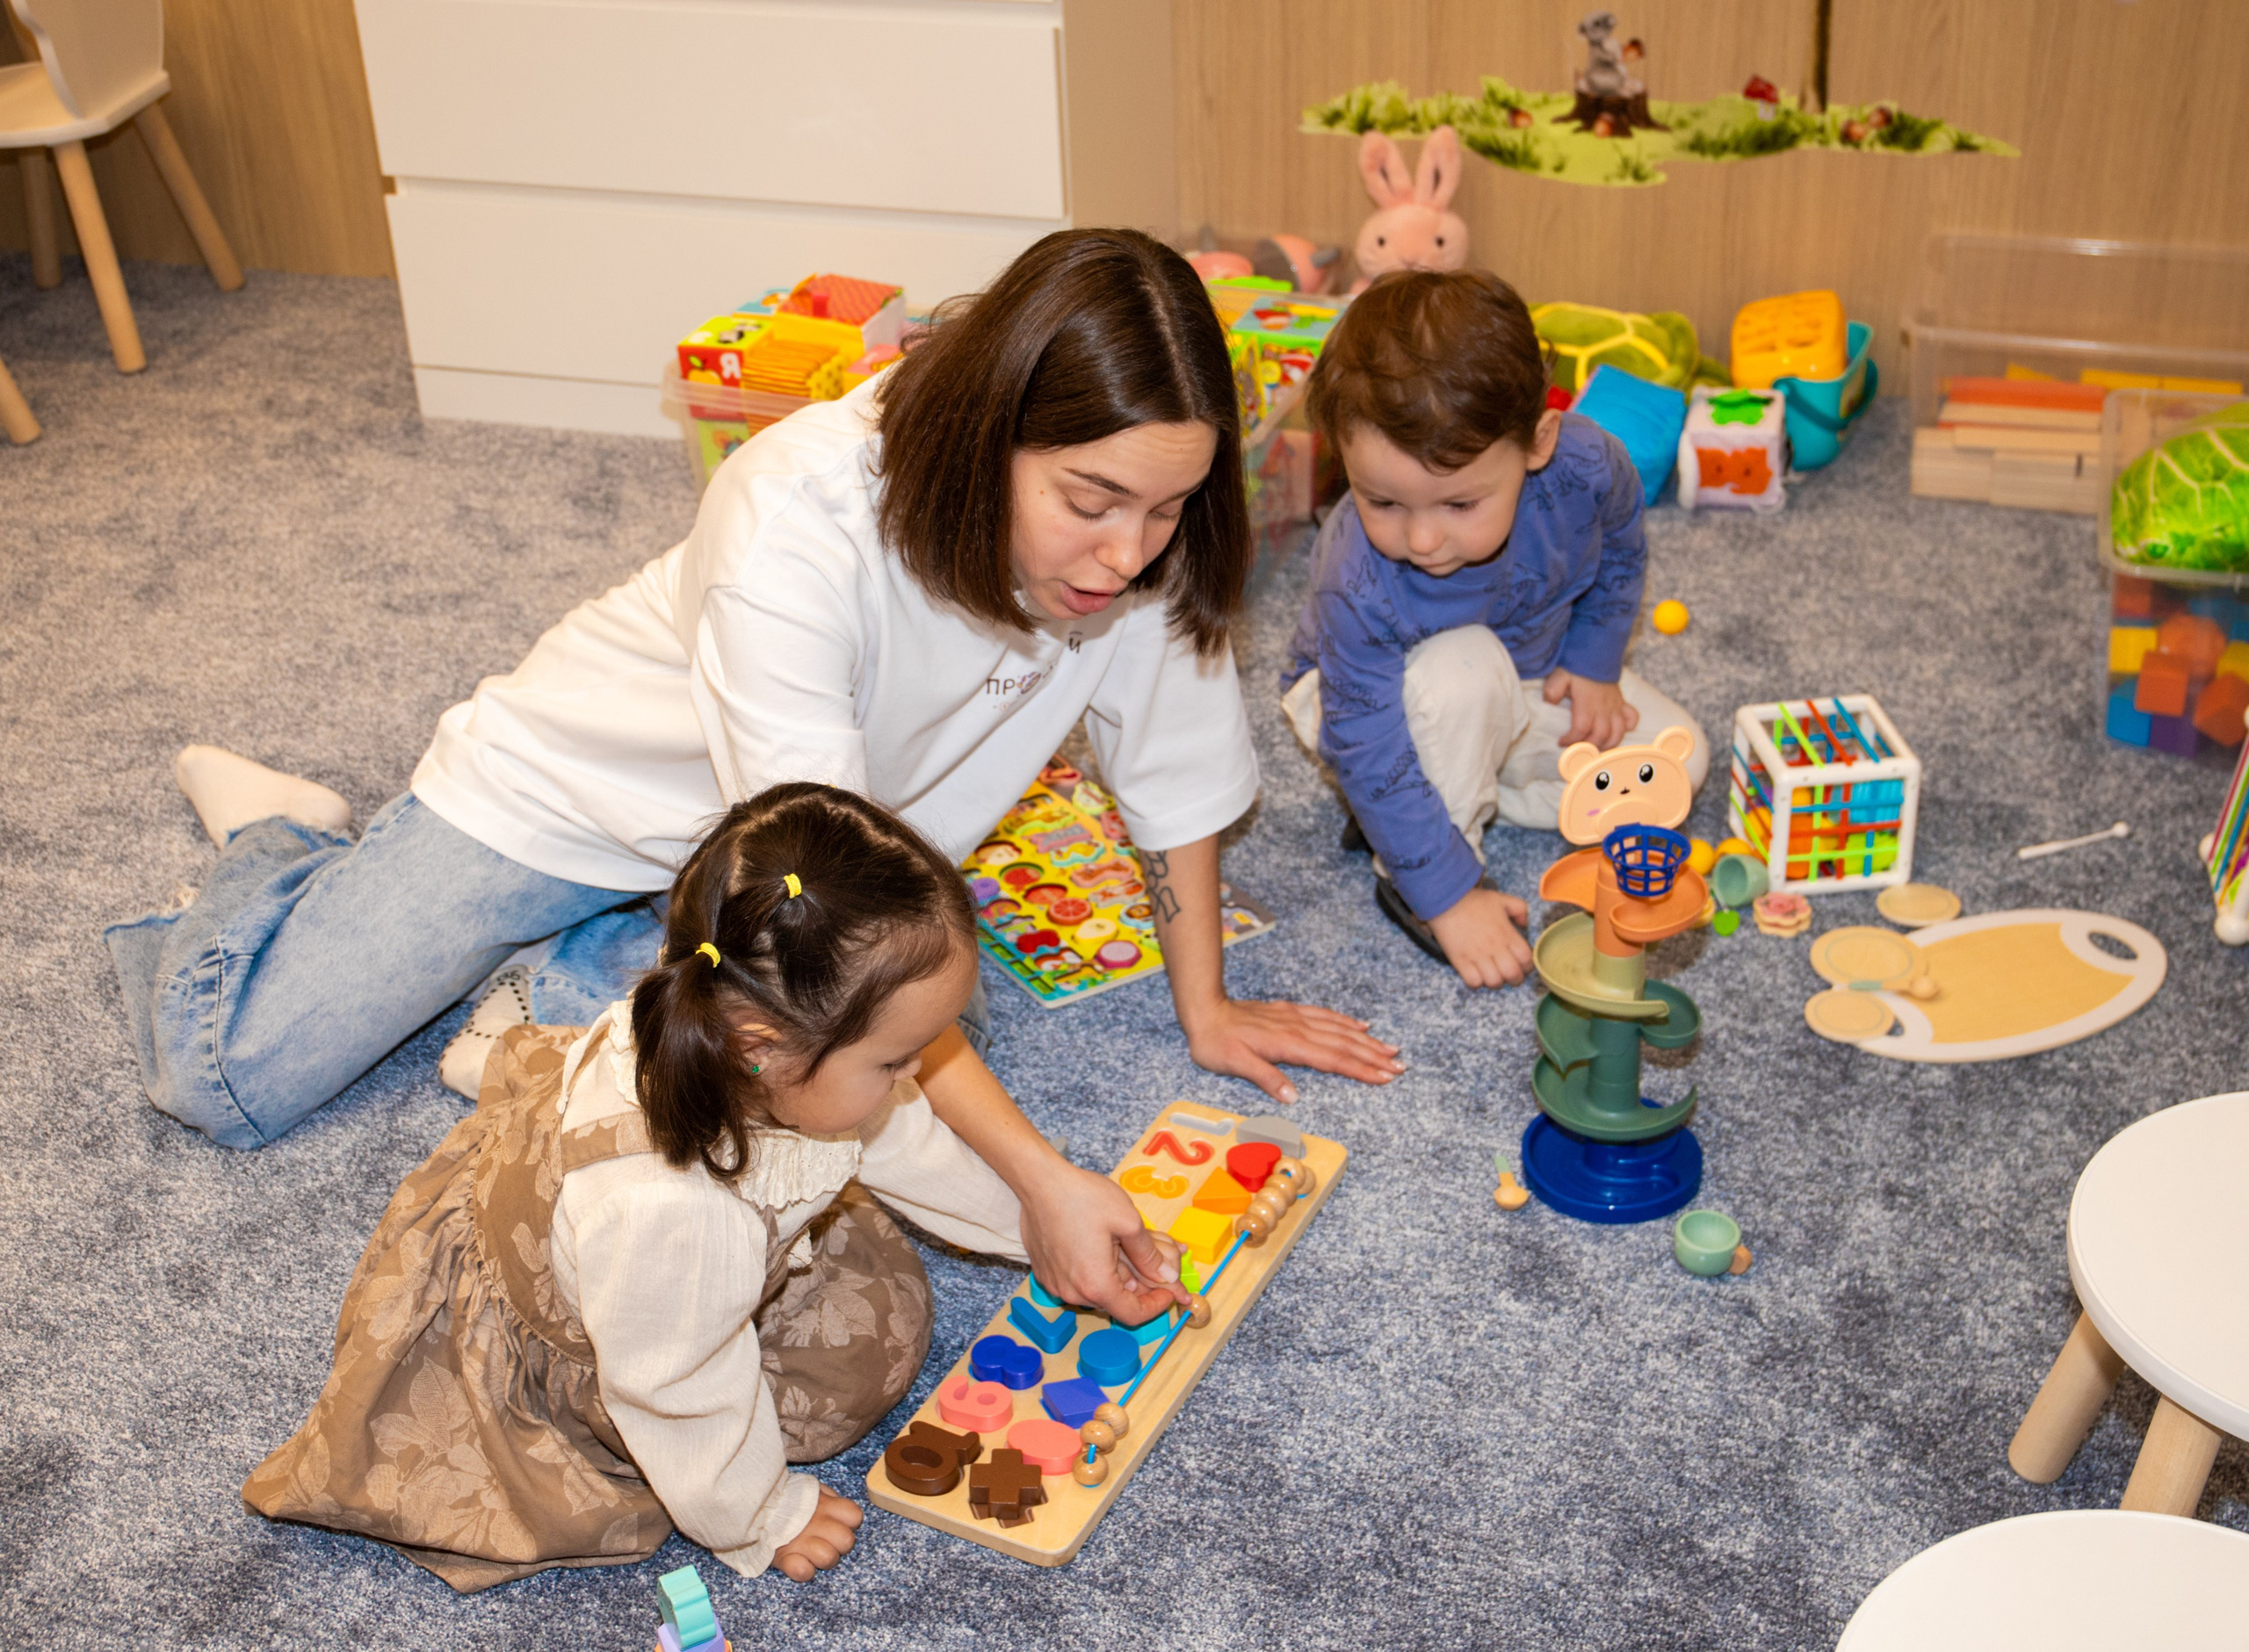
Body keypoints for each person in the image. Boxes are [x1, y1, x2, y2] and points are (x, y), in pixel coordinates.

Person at [106, 229, 1399, 1323]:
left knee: (773, 1060)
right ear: (989, 430)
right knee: (230, 1084)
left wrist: (1207, 1007)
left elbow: (1167, 778)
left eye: (1168, 506)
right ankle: (277, 840)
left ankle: (582, 975)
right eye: (1091, 498)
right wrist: (1040, 1182)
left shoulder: (1135, 548)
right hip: (574, 796)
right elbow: (840, 929)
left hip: (764, 882)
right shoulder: (799, 515)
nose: (1128, 552)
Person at [245, 783, 1142, 1589]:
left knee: (872, 1260)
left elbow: (902, 1138)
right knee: (844, 1380)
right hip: (604, 1329)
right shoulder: (675, 1213)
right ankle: (264, 838)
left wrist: (1031, 1224)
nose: (920, 1076)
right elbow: (675, 1387)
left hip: (641, 1238)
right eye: (896, 1058)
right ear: (758, 1046)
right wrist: (761, 1517)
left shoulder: (732, 1036)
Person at [1277, 270, 1710, 988]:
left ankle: (1443, 795)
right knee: (1465, 670)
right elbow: (1363, 731)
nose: (1420, 538)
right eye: (1382, 500)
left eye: (1458, 503)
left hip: (1527, 674)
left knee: (1678, 763)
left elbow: (1622, 551)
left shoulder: (1587, 468)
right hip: (1360, 705)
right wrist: (1447, 899)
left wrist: (1595, 662)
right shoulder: (1356, 573)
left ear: (1538, 443)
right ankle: (1412, 864)